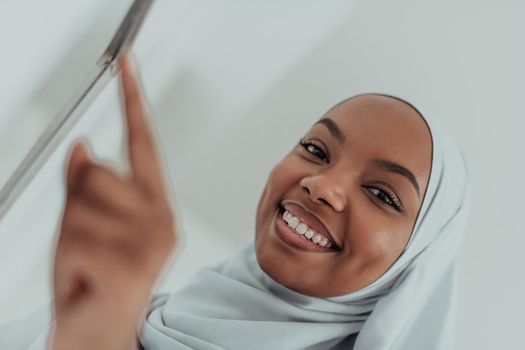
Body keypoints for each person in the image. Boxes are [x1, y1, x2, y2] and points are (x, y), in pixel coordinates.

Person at [0, 54, 470, 350]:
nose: (322, 185)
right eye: (315, 150)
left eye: (383, 195)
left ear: (414, 264)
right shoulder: (160, 308)